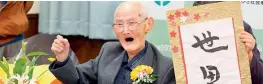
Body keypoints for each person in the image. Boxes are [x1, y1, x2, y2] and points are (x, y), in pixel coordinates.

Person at [49, 2, 175, 84]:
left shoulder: (166, 68)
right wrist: (63, 58)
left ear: (148, 25)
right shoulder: (109, 51)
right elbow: (77, 78)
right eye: (119, 24)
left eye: (132, 23)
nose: (125, 30)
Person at [193, 1, 263, 84]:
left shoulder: (240, 27)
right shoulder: (186, 24)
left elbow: (260, 78)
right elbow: (176, 76)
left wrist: (250, 58)